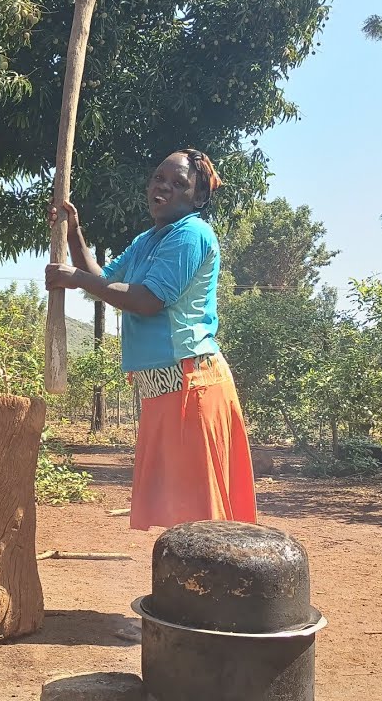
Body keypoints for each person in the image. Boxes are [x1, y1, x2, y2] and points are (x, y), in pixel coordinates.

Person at [44, 149, 257, 532]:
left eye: (179, 184)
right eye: (160, 177)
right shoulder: (148, 240)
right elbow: (102, 279)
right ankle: (191, 589)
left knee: (202, 520)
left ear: (198, 198)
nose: (164, 187)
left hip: (192, 388)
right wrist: (74, 232)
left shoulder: (192, 234)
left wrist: (74, 278)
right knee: (181, 517)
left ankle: (209, 590)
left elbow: (146, 300)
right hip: (164, 393)